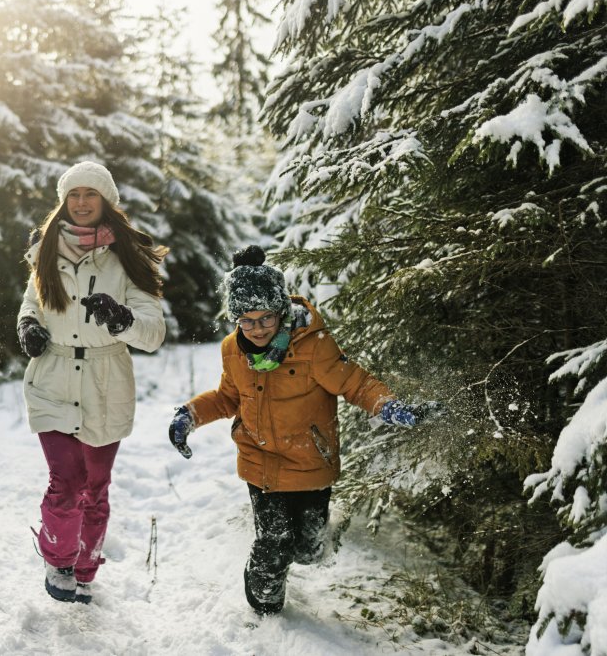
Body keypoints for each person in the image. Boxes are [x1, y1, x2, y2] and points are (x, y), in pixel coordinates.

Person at [167, 245, 440, 616]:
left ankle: (326, 531)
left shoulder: (313, 346)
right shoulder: (233, 349)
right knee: (274, 542)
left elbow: (355, 383)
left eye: (266, 319)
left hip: (310, 461)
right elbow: (227, 396)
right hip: (259, 459)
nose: (258, 328)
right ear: (236, 320)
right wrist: (189, 415)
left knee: (309, 551)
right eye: (247, 320)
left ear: (280, 312)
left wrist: (388, 406)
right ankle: (265, 609)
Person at [17, 161, 168, 604]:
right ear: (64, 201)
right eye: (74, 195)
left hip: (106, 380)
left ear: (106, 202)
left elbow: (153, 333)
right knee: (65, 481)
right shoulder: (45, 250)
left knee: (93, 489)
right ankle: (58, 558)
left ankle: (85, 568)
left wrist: (122, 320)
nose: (81, 203)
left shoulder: (129, 257)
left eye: (91, 195)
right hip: (53, 376)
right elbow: (31, 305)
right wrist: (28, 328)